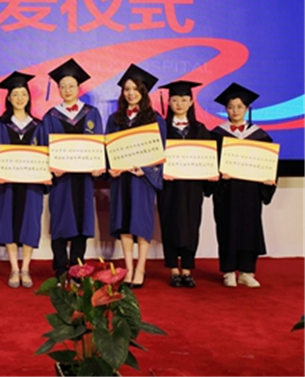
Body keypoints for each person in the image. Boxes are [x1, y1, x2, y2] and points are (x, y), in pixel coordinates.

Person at [40, 59, 104, 280]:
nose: (67, 90)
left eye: (71, 86)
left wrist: (98, 166)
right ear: (58, 89)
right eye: (63, 86)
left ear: (78, 88)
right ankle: (60, 269)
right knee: (60, 222)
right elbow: (45, 148)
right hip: (61, 181)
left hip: (84, 180)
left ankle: (77, 270)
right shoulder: (51, 116)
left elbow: (98, 144)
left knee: (81, 224)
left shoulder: (92, 113)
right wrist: (51, 168)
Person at [211, 82, 276, 288]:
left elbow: (269, 163)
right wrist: (219, 175)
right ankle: (229, 271)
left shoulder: (260, 136)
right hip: (227, 191)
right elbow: (209, 163)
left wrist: (268, 178)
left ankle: (247, 271)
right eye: (231, 107)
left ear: (247, 109)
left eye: (239, 107)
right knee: (227, 227)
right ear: (225, 109)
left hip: (250, 191)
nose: (235, 111)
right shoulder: (216, 135)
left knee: (250, 228)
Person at [106, 64, 166, 289]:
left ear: (143, 92)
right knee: (124, 222)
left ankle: (141, 268)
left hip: (142, 179)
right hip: (122, 179)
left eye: (135, 89)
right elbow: (108, 148)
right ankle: (128, 268)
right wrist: (111, 167)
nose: (130, 93)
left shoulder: (155, 119)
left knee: (141, 222)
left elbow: (161, 152)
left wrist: (146, 170)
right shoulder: (115, 119)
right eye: (127, 89)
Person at [157, 80, 216, 288]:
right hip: (170, 187)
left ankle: (188, 269)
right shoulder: (161, 129)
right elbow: (154, 157)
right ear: (168, 102)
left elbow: (208, 159)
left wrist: (210, 173)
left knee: (192, 225)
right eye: (175, 100)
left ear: (191, 102)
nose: (179, 104)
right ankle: (173, 268)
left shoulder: (200, 129)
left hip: (192, 188)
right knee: (170, 224)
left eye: (183, 100)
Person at [0, 71, 45, 289]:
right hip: (7, 185)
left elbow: (46, 154)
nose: (19, 98)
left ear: (28, 97)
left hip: (32, 185)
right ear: (8, 98)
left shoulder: (39, 125)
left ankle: (26, 268)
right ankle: (14, 268)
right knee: (8, 222)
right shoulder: (0, 124)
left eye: (23, 94)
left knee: (30, 223)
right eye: (15, 94)